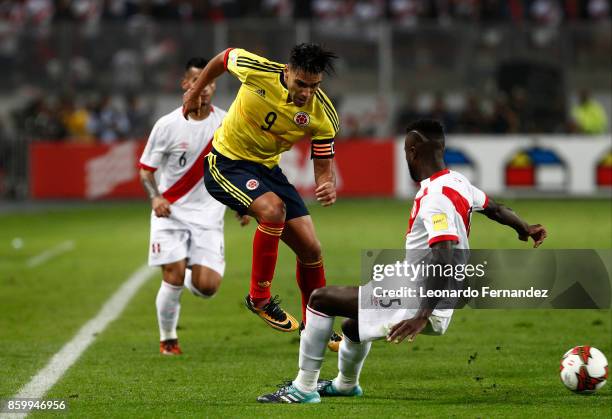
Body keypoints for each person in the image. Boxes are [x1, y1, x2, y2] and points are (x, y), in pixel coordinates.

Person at [257, 119, 548, 403]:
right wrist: (524, 227)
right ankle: (346, 385)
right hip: (428, 284)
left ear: (412, 151)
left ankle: (303, 387)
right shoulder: (457, 181)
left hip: (422, 292)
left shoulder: (435, 197)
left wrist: (422, 314)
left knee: (320, 300)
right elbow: (494, 209)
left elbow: (444, 253)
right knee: (352, 326)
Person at [182, 43, 342, 350]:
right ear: (287, 72)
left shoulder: (322, 114)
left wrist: (327, 184)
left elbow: (323, 168)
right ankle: (259, 298)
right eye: (301, 84)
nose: (307, 93)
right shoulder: (259, 70)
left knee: (311, 249)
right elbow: (222, 58)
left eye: (314, 86)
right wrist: (195, 90)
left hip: (268, 171)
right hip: (226, 163)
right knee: (273, 211)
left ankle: (316, 326)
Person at [139, 57, 249, 355]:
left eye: (210, 82)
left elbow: (236, 168)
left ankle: (191, 271)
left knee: (207, 288)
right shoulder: (167, 125)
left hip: (209, 216)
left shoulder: (227, 123)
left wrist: (242, 204)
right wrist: (155, 196)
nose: (203, 87)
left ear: (213, 87)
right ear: (185, 84)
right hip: (170, 212)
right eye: (197, 81)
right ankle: (168, 339)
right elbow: (146, 170)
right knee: (171, 277)